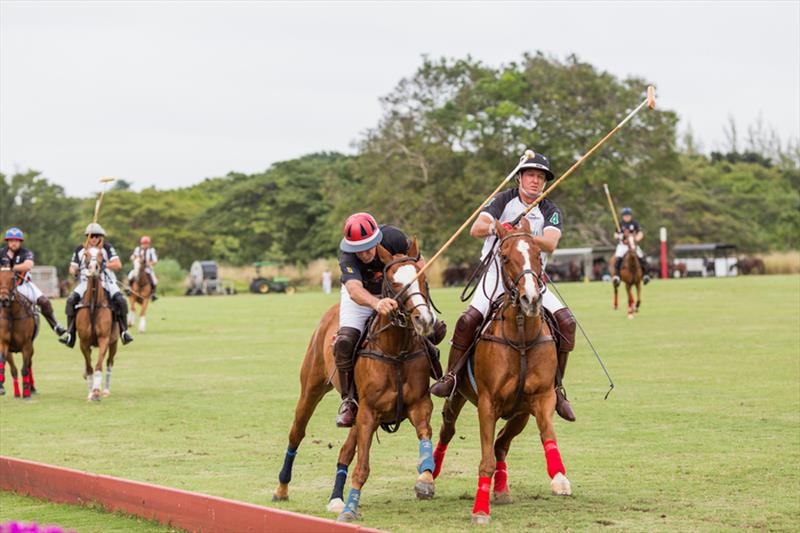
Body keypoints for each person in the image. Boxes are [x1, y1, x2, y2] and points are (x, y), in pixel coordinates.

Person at [430, 150, 577, 422]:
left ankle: (557, 388)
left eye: (540, 177)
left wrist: (521, 235)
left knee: (567, 322)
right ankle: (451, 376)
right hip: (497, 274)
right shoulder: (504, 199)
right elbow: (477, 227)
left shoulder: (549, 209)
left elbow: (551, 242)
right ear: (520, 177)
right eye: (530, 175)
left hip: (531, 276)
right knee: (468, 320)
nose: (535, 181)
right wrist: (498, 227)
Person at [334, 212, 445, 427]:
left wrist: (416, 289)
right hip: (364, 296)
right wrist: (377, 304)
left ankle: (439, 376)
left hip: (401, 291)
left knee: (435, 329)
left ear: (377, 239)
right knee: (345, 341)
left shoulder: (394, 238)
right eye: (359, 250)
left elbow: (417, 264)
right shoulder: (347, 256)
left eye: (368, 247)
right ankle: (350, 400)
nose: (364, 254)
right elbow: (354, 290)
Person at [60, 223, 134, 347]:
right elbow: (72, 268)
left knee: (121, 300)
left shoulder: (107, 248)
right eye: (91, 236)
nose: (94, 238)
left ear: (101, 237)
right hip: (85, 282)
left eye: (96, 236)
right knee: (71, 300)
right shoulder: (80, 250)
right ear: (87, 237)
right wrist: (75, 270)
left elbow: (118, 264)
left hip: (106, 281)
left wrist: (104, 265)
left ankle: (124, 332)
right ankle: (70, 334)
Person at [0, 227, 67, 337]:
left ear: (20, 242)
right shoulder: (1, 252)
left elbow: (29, 265)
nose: (13, 243)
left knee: (44, 301)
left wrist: (11, 267)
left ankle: (55, 326)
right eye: (11, 241)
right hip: (3, 286)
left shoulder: (26, 252)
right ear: (7, 241)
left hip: (23, 285)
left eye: (16, 241)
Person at [612, 207, 651, 285]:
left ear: (631, 216)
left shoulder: (634, 223)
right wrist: (620, 236)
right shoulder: (620, 224)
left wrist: (636, 239)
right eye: (625, 215)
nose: (626, 217)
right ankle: (617, 276)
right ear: (623, 216)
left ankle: (646, 275)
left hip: (632, 244)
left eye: (628, 215)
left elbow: (640, 233)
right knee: (618, 258)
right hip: (623, 245)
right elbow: (615, 234)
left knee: (642, 257)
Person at [127, 235, 159, 300]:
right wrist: (134, 258)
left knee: (154, 280)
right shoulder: (137, 249)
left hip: (147, 268)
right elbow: (133, 256)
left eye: (146, 244)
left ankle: (153, 294)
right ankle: (129, 288)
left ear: (149, 244)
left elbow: (155, 261)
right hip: (138, 268)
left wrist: (149, 263)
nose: (145, 245)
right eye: (144, 244)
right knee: (130, 275)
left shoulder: (151, 251)